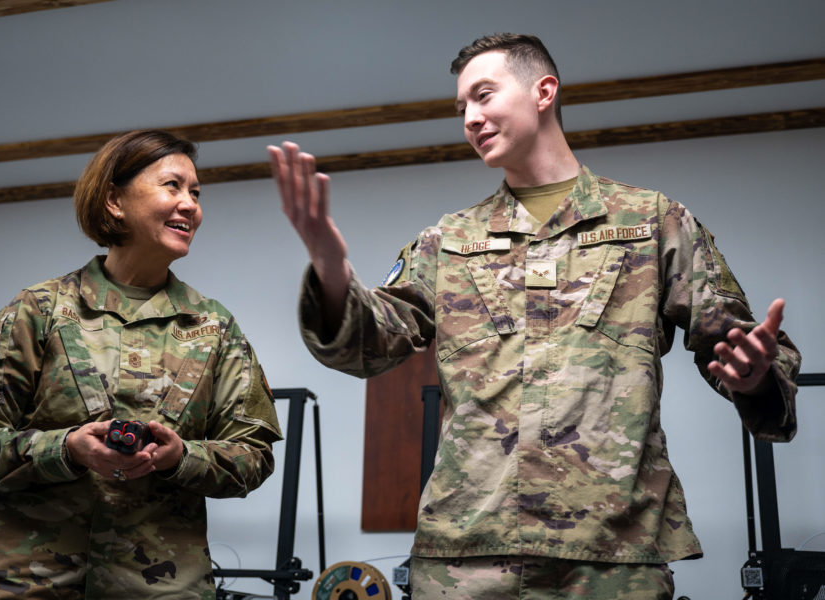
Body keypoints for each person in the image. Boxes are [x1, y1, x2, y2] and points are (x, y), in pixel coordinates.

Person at [268, 34, 800, 599]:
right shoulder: (448, 240)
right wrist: (330, 267)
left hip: (611, 556)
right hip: (466, 559)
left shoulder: (652, 221)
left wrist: (754, 376)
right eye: (461, 107)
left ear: (543, 92)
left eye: (483, 95)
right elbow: (368, 346)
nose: (470, 118)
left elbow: (735, 342)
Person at [0, 129, 282, 599]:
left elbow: (253, 456)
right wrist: (65, 449)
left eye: (196, 193)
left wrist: (181, 457)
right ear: (114, 201)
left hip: (156, 588)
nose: (190, 205)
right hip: (17, 585)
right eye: (172, 186)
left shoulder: (213, 327)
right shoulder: (40, 310)